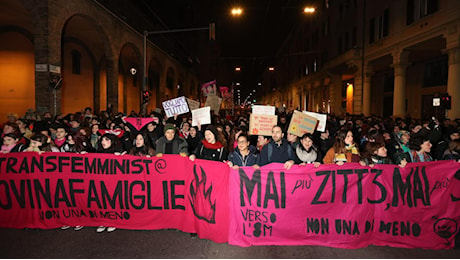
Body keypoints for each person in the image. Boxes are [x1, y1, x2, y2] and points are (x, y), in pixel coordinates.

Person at [95, 133, 124, 233]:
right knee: (101, 201)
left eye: (106, 140)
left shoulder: (118, 152)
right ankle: (103, 221)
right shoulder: (98, 152)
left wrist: (120, 157)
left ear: (112, 141)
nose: (103, 142)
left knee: (112, 201)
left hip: (113, 183)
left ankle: (113, 221)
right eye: (102, 140)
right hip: (101, 181)